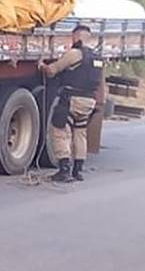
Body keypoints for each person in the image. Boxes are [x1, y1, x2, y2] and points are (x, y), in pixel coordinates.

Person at [38, 24, 104, 182]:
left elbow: (53, 70)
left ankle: (64, 170)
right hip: (89, 101)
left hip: (72, 99)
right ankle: (78, 170)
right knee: (80, 133)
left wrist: (42, 66)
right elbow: (100, 83)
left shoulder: (75, 54)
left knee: (59, 130)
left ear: (75, 36)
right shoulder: (98, 58)